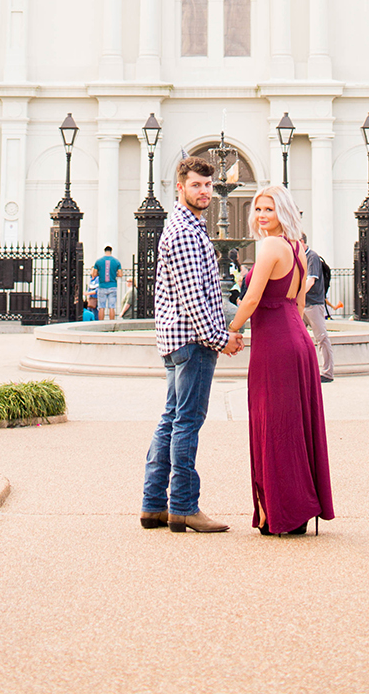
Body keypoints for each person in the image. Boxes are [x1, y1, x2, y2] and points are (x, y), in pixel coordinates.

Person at [225, 186, 334, 538]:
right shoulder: (298, 248)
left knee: (275, 428)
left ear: (281, 212)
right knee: (296, 427)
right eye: (257, 208)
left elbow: (252, 296)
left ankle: (281, 512)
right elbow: (299, 303)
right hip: (296, 340)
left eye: (268, 209)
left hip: (276, 345)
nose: (260, 215)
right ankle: (296, 508)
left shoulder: (271, 246)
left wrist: (229, 330)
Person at [141, 154, 236, 535]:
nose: (204, 192)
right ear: (179, 188)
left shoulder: (191, 227)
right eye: (196, 185)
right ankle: (182, 506)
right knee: (186, 423)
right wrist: (220, 339)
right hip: (192, 343)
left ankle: (153, 506)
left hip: (180, 340)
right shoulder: (183, 230)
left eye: (208, 185)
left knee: (171, 420)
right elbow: (193, 297)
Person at [300, 232, 334, 383]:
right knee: (299, 338)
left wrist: (296, 296)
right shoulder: (298, 257)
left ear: (301, 241)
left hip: (313, 303)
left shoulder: (311, 256)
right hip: (302, 304)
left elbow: (311, 280)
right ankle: (305, 370)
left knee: (321, 337)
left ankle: (327, 372)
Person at [93, 245, 124, 320]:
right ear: (111, 251)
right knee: (112, 307)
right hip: (112, 285)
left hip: (102, 285)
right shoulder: (116, 261)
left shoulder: (98, 261)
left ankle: (101, 323)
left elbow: (93, 274)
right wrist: (114, 274)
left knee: (101, 307)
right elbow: (120, 274)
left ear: (104, 251)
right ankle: (111, 323)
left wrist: (99, 274)